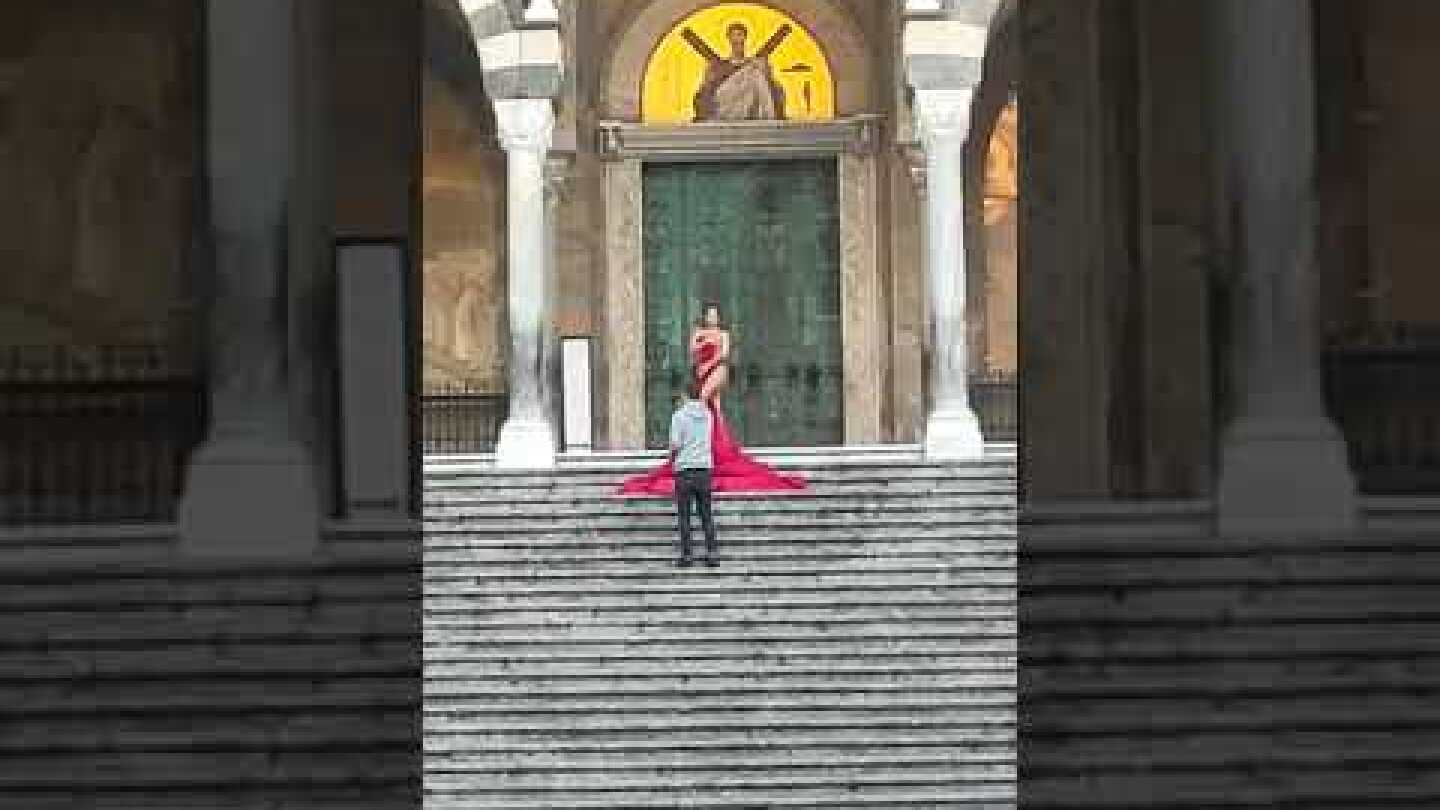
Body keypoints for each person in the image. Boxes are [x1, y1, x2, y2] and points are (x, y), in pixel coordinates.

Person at [617, 302, 807, 498]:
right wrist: (700, 345)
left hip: (717, 369)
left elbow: (724, 353)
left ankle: (714, 442)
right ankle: (716, 441)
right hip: (701, 371)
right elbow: (692, 350)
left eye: (715, 315)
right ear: (705, 316)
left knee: (705, 399)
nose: (713, 318)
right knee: (713, 406)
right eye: (710, 315)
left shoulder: (723, 334)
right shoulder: (699, 331)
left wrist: (708, 363)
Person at [689, 22, 788, 122]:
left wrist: (766, 73)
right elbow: (705, 91)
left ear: (745, 38)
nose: (737, 39)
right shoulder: (717, 66)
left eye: (740, 35)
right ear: (729, 39)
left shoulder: (756, 65)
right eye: (733, 36)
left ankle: (767, 118)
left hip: (750, 105)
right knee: (755, 74)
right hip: (725, 107)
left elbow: (776, 90)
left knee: (756, 74)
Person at [670, 379, 718, 567]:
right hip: (704, 469)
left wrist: (670, 455)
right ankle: (712, 553)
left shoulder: (679, 416)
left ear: (685, 395)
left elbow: (676, 444)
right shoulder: (708, 415)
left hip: (685, 470)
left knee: (685, 515)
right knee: (706, 514)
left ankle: (687, 555)